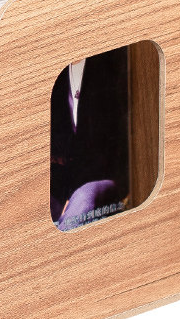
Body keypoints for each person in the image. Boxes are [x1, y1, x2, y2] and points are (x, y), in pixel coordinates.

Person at [49, 47, 130, 231]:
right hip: (65, 177)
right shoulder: (57, 72)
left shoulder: (110, 61)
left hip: (108, 176)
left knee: (82, 201)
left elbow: (117, 143)